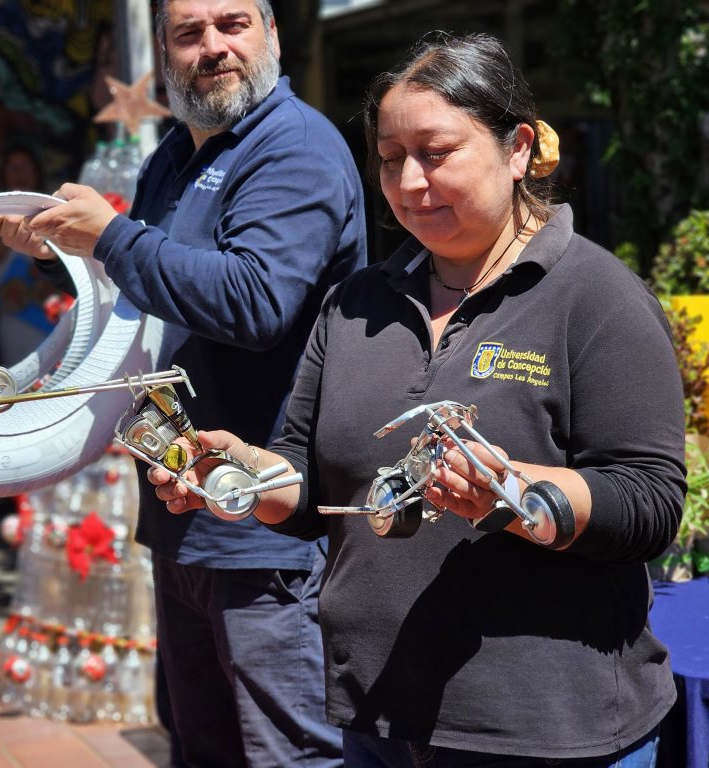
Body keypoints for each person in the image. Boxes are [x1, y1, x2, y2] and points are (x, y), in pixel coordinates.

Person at [148, 31, 686, 767]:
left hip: (548, 732)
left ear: (518, 147)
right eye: (391, 159)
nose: (408, 183)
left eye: (437, 153)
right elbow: (310, 490)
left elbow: (650, 503)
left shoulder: (594, 298)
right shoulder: (357, 305)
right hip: (379, 717)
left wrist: (514, 494)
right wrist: (236, 474)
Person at [0, 1, 367, 764]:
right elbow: (151, 289)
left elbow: (257, 300)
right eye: (189, 33)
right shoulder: (174, 154)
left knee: (292, 755)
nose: (212, 48)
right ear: (163, 52)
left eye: (233, 25)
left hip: (267, 532)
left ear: (274, 37)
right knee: (203, 749)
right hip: (184, 519)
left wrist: (113, 237)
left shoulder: (293, 147)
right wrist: (66, 245)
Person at [0, 146, 73, 366]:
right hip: (14, 311)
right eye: (13, 167)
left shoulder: (55, 208)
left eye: (24, 167)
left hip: (51, 307)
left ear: (36, 171)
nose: (19, 173)